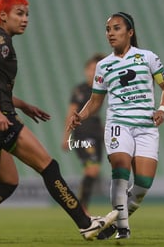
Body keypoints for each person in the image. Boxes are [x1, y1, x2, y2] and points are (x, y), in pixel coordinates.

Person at [0, 0, 118, 243]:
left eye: (27, 14)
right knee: (48, 166)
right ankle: (86, 224)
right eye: (19, 13)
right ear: (3, 16)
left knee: (8, 182)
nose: (25, 19)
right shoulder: (1, 38)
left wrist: (24, 105)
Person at [67, 12, 164, 240]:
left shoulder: (148, 57)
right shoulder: (104, 66)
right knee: (120, 165)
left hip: (146, 126)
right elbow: (95, 101)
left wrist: (162, 110)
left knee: (143, 184)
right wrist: (81, 115)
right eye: (108, 30)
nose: (111, 34)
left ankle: (115, 220)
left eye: (116, 28)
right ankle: (123, 229)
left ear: (130, 32)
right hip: (118, 124)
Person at [61, 53, 105, 213]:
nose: (92, 72)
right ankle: (82, 207)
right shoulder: (80, 90)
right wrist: (66, 137)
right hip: (82, 134)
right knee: (92, 169)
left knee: (92, 171)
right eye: (90, 68)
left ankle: (81, 205)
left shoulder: (102, 88)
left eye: (96, 69)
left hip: (96, 134)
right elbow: (71, 113)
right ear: (86, 70)